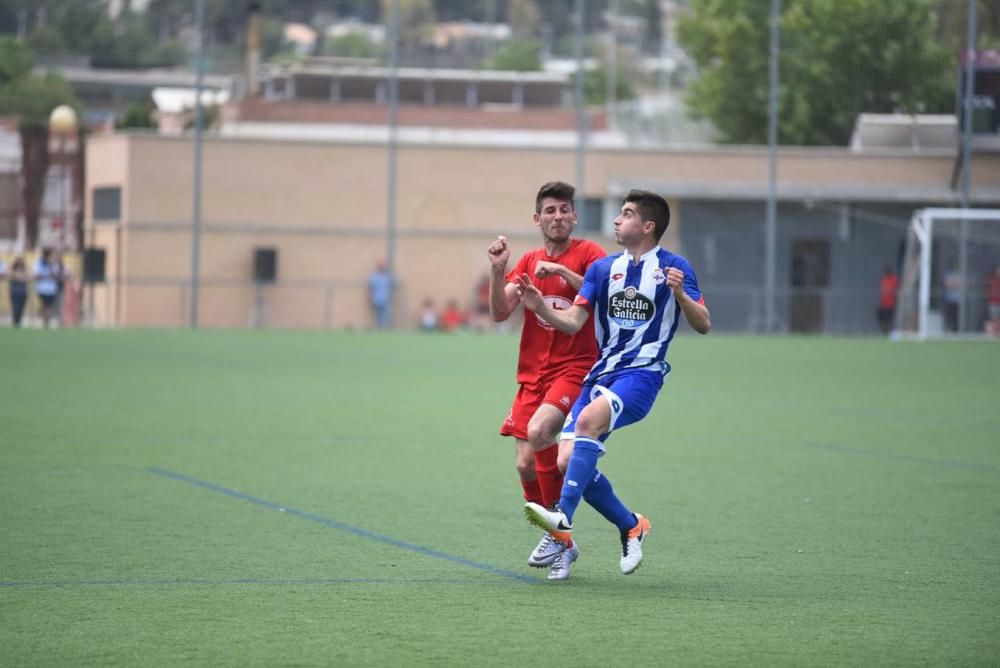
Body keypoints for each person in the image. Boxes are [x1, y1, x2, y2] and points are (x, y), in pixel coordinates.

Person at [516, 189, 710, 579]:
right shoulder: (604, 270)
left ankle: (560, 525)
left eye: (625, 214)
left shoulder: (675, 267)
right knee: (567, 461)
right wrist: (539, 308)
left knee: (587, 422)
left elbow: (703, 322)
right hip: (601, 374)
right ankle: (630, 525)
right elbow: (573, 321)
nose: (617, 221)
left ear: (648, 226)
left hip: (642, 375)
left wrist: (680, 295)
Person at [487, 180, 606, 580]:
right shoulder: (527, 261)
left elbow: (599, 292)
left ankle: (558, 532)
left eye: (565, 209)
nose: (558, 217)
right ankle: (563, 544)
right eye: (550, 211)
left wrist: (557, 271)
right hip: (531, 374)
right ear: (538, 219)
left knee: (540, 432)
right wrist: (498, 268)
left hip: (574, 369)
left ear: (574, 216)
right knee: (524, 466)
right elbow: (501, 311)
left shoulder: (589, 254)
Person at [33, 248, 60, 328]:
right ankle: (42, 320)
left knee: (50, 306)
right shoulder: (39, 263)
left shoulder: (53, 264)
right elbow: (36, 273)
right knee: (43, 305)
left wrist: (51, 268)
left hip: (51, 289)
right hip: (42, 288)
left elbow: (57, 273)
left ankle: (47, 321)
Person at [368, 260, 393, 329]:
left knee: (385, 316)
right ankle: (379, 329)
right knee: (378, 316)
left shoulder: (387, 276)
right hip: (376, 299)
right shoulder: (374, 276)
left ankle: (385, 329)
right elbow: (371, 288)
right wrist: (371, 298)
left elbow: (391, 286)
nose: (383, 267)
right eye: (381, 266)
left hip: (385, 299)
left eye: (384, 266)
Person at [7, 257, 29, 327]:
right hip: (14, 291)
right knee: (15, 307)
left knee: (21, 307)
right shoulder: (13, 269)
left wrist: (19, 276)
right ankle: (15, 321)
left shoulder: (25, 269)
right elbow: (9, 275)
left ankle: (18, 321)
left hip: (23, 292)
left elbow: (29, 276)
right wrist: (19, 276)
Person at [877, 265, 898, 335]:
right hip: (883, 304)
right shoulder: (884, 279)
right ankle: (884, 331)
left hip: (891, 304)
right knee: (881, 317)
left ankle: (889, 332)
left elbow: (896, 291)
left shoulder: (894, 279)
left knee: (889, 319)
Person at [986, 266, 1000, 336]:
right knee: (993, 318)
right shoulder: (992, 280)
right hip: (993, 302)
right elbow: (988, 291)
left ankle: (998, 332)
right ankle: (993, 333)